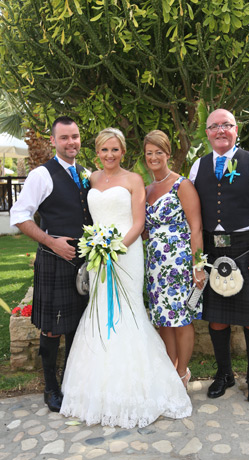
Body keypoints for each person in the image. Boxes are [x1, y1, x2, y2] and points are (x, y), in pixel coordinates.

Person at [60, 128, 191, 428]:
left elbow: (138, 221)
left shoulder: (133, 180)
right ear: (97, 152)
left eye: (115, 150)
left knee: (127, 311)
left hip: (125, 254)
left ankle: (144, 386)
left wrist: (114, 248)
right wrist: (98, 247)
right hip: (97, 256)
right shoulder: (90, 178)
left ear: (123, 152)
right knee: (100, 309)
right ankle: (100, 388)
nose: (109, 155)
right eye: (104, 150)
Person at [190, 109, 249, 406]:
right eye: (214, 126)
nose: (220, 130)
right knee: (217, 321)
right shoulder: (198, 167)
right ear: (207, 132)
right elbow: (192, 219)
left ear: (236, 129)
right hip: (212, 251)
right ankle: (224, 374)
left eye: (226, 125)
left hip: (246, 249)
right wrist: (197, 259)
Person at [10, 116, 92, 412]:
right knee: (52, 328)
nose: (71, 142)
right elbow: (19, 216)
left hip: (83, 264)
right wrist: (50, 240)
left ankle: (70, 382)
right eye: (65, 137)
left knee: (76, 326)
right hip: (55, 260)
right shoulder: (41, 175)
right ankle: (51, 387)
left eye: (75, 136)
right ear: (54, 141)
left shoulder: (85, 173)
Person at [143, 130, 206, 388]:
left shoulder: (183, 185)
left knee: (181, 319)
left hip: (180, 264)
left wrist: (198, 266)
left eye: (159, 152)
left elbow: (196, 228)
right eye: (149, 153)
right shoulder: (146, 190)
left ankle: (182, 372)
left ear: (168, 154)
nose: (154, 157)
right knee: (163, 320)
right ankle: (170, 368)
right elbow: (144, 229)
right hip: (156, 266)